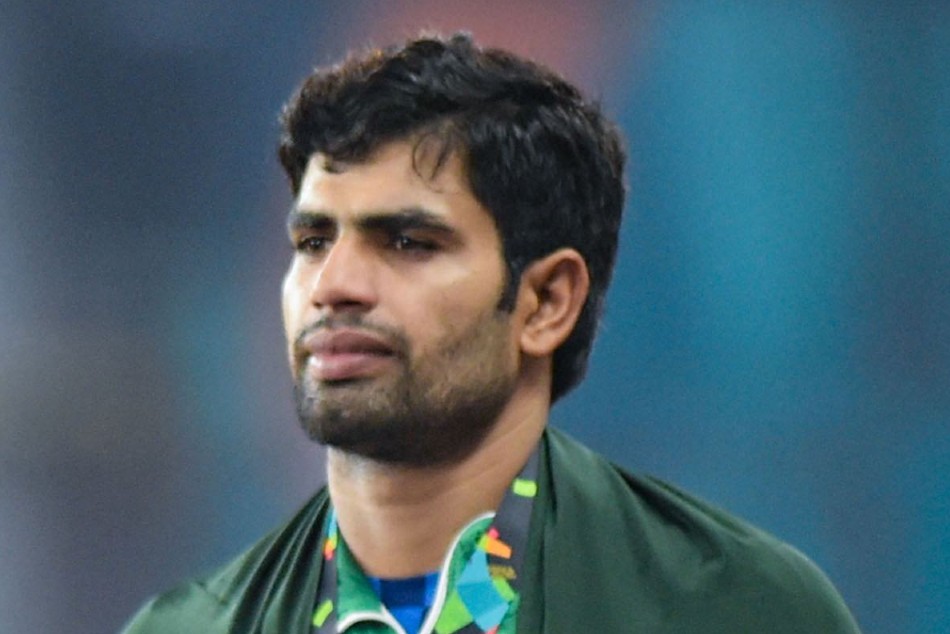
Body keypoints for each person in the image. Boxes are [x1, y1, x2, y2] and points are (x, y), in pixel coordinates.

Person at [122, 33, 861, 633]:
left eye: (408, 242)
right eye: (314, 241)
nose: (333, 283)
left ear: (546, 302)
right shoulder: (186, 628)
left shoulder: (737, 610)